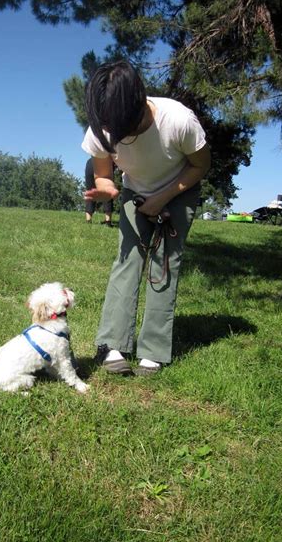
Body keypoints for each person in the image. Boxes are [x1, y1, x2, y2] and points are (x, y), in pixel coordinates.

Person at [82, 61, 211, 376]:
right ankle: (112, 343)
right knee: (127, 261)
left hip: (180, 190)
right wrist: (107, 188)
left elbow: (200, 166)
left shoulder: (178, 121)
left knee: (164, 263)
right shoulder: (103, 126)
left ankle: (153, 350)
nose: (113, 132)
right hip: (134, 191)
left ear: (138, 103)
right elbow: (102, 173)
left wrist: (161, 199)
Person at [84, 157, 113, 226]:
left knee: (90, 192)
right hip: (104, 163)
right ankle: (108, 221)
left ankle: (88, 220)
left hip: (90, 163)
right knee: (107, 191)